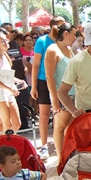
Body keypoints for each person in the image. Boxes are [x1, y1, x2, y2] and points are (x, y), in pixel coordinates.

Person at [30, 16, 65, 160]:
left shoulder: (63, 42)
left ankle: (59, 146)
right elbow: (36, 64)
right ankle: (44, 146)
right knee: (44, 115)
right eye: (59, 25)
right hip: (44, 80)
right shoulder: (42, 41)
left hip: (60, 82)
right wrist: (34, 86)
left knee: (58, 114)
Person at [44, 23, 77, 162]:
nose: (75, 37)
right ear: (66, 34)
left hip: (74, 94)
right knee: (60, 126)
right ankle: (60, 158)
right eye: (74, 34)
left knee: (70, 127)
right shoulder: (52, 50)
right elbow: (49, 76)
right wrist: (54, 99)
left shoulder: (70, 49)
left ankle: (67, 156)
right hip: (62, 94)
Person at [0, 29, 27, 132]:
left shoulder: (5, 55)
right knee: (7, 124)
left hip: (9, 92)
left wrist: (19, 81)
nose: (6, 43)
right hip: (0, 94)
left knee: (17, 123)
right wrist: (9, 89)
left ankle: (6, 143)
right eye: (3, 41)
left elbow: (6, 76)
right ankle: (4, 146)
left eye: (6, 40)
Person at [0, 24, 30, 131]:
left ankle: (23, 125)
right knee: (4, 117)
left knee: (23, 103)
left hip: (19, 78)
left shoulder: (14, 44)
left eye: (13, 31)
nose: (13, 33)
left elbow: (18, 58)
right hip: (6, 84)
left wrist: (24, 67)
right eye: (11, 31)